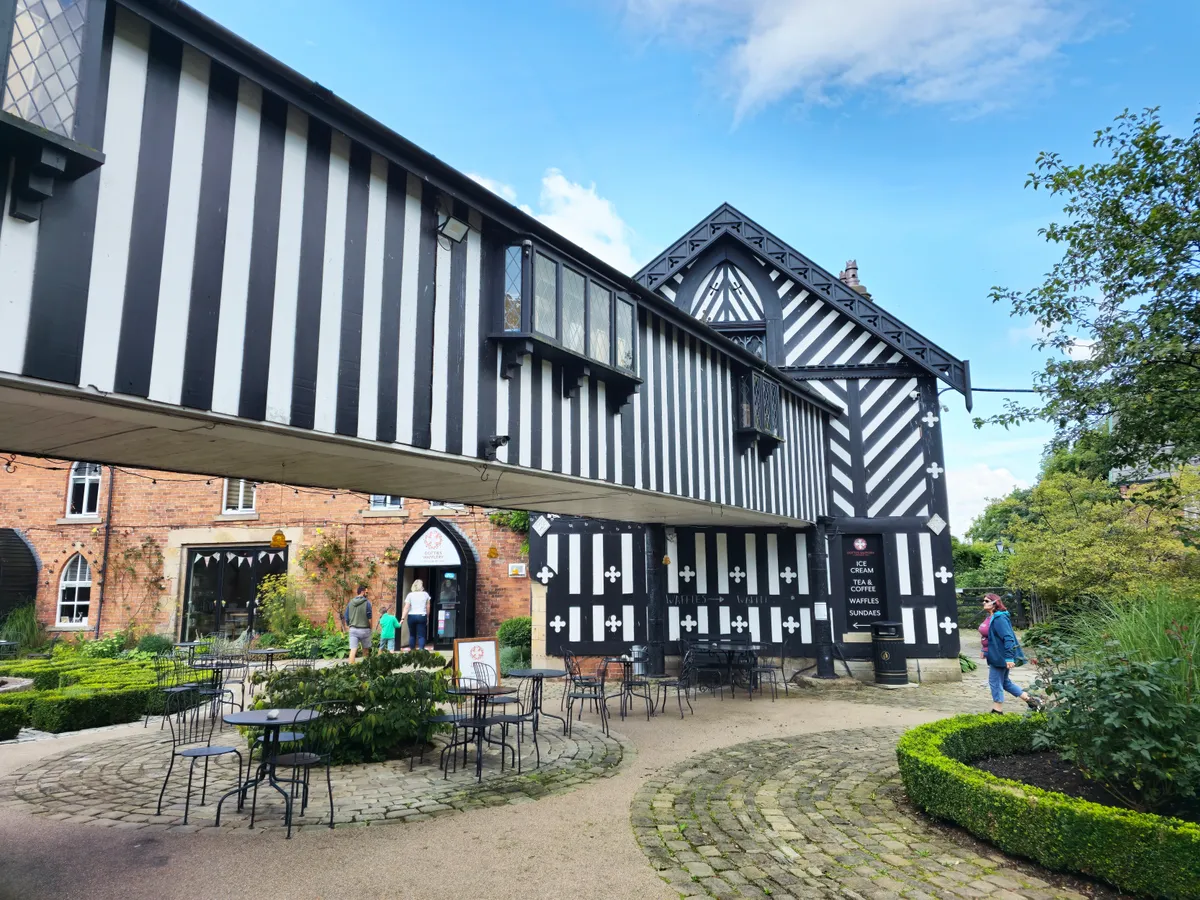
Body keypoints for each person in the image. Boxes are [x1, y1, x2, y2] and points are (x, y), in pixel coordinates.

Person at [981, 593, 1042, 714]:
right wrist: (984, 650)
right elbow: (988, 636)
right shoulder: (990, 617)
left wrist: (1009, 657)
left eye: (986, 601)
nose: (983, 602)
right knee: (1004, 682)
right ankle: (1033, 701)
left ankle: (997, 710)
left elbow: (1008, 638)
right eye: (983, 601)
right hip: (994, 654)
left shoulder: (1000, 618)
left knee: (994, 681)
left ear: (994, 603)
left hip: (1000, 655)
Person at [344, 585, 373, 663]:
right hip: (364, 629)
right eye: (366, 592)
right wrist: (370, 628)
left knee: (353, 650)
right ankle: (366, 667)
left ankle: (351, 669)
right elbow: (369, 617)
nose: (367, 594)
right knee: (365, 650)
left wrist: (349, 625)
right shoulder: (367, 603)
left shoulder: (350, 603)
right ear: (362, 592)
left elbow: (346, 616)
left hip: (353, 629)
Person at [401, 579, 431, 651]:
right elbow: (428, 606)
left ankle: (412, 651)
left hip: (411, 616)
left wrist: (402, 618)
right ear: (421, 586)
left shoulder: (410, 595)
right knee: (421, 636)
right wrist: (427, 616)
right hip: (422, 615)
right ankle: (421, 651)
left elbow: (406, 607)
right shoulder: (425, 594)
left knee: (412, 635)